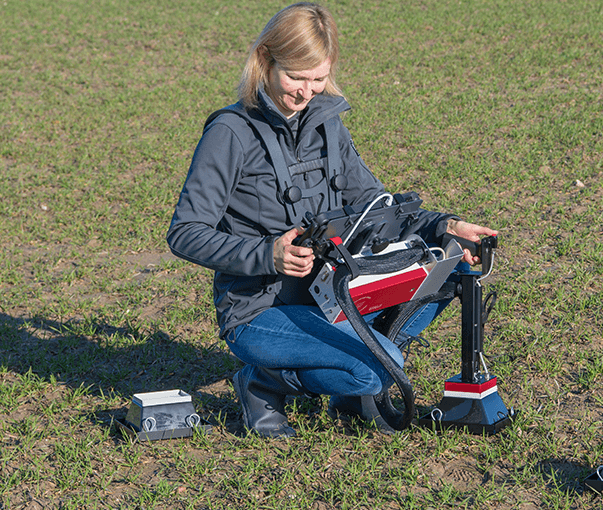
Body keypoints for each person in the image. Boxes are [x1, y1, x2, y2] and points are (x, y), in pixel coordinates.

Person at [166, 2, 497, 438]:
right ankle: (263, 381)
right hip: (259, 310)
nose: (306, 92)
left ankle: (353, 383)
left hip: (335, 294)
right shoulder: (229, 133)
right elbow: (185, 233)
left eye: (318, 79)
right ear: (265, 60)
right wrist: (268, 254)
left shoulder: (328, 124)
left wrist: (444, 228)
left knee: (448, 268)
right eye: (296, 77)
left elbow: (375, 205)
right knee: (377, 370)